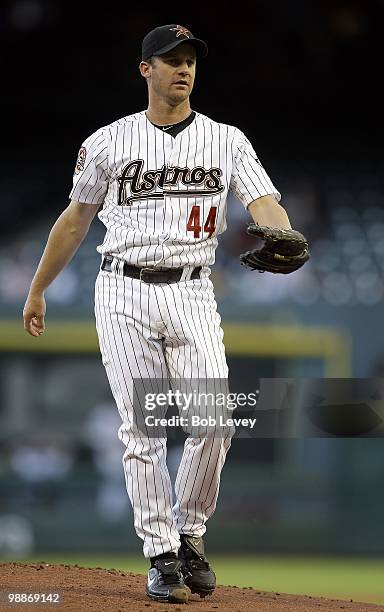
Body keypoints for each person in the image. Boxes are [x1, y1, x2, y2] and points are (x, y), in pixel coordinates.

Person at [23, 24, 295, 605]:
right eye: (170, 59)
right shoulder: (109, 141)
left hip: (194, 290)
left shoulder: (226, 140)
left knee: (214, 421)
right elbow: (75, 220)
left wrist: (281, 229)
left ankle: (190, 532)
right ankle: (161, 554)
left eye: (190, 60)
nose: (184, 68)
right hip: (123, 290)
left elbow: (261, 199)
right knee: (143, 427)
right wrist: (39, 288)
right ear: (144, 69)